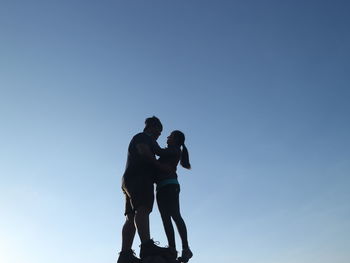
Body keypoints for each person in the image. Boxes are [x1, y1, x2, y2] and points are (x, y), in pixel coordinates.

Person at [117, 116, 173, 263]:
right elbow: (145, 152)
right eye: (158, 131)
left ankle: (125, 254)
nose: (159, 135)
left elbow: (158, 151)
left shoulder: (143, 139)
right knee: (143, 208)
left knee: (130, 216)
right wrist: (162, 166)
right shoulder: (143, 137)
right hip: (140, 179)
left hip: (128, 180)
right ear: (152, 128)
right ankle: (147, 246)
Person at [155, 130, 193, 262]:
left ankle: (186, 249)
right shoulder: (172, 150)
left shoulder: (175, 149)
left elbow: (158, 152)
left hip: (170, 186)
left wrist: (148, 141)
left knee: (175, 215)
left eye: (170, 136)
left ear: (176, 139)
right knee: (166, 219)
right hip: (160, 188)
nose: (167, 137)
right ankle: (172, 249)